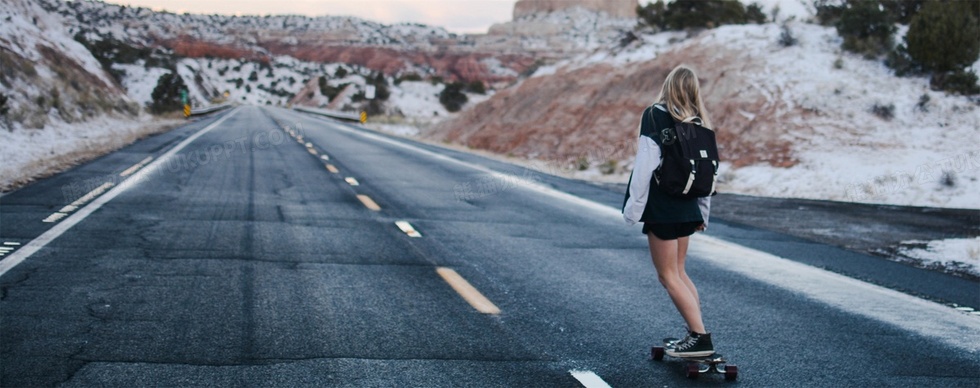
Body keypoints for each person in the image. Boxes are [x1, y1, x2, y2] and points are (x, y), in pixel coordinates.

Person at [622, 65, 715, 358]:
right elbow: (709, 174)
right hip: (688, 208)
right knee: (679, 272)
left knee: (668, 276)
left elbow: (645, 166)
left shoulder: (655, 115)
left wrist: (632, 209)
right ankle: (694, 333)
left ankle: (700, 336)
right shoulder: (698, 123)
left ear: (668, 86)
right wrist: (703, 214)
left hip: (662, 208)